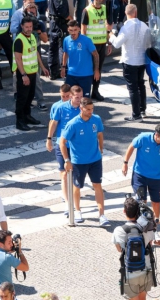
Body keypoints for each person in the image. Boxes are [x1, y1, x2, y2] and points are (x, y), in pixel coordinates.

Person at [60, 97, 109, 226]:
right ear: (81, 108)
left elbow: (99, 133)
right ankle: (78, 211)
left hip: (95, 160)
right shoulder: (73, 124)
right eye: (88, 109)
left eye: (92, 109)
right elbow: (62, 142)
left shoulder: (96, 119)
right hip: (78, 162)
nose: (90, 111)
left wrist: (101, 148)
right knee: (77, 187)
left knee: (97, 185)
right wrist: (66, 160)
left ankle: (102, 215)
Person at [122, 124, 160, 222]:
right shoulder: (143, 138)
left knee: (156, 202)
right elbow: (132, 146)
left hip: (156, 178)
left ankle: (155, 225)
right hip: (140, 176)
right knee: (141, 201)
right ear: (156, 135)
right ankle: (141, 223)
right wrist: (125, 163)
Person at [108, 4, 151, 122]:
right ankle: (142, 110)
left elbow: (117, 43)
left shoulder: (126, 28)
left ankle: (136, 115)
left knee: (132, 88)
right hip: (141, 60)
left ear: (126, 14)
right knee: (141, 85)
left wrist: (111, 34)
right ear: (136, 13)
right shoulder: (144, 26)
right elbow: (148, 44)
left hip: (129, 60)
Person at [46, 85, 82, 215]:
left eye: (80, 97)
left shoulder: (82, 108)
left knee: (76, 174)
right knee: (65, 174)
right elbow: (54, 123)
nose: (79, 99)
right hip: (62, 145)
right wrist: (49, 139)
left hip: (76, 146)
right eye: (77, 97)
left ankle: (74, 197)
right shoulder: (60, 108)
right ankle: (68, 203)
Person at [112, 197, 155, 300]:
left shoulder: (118, 230)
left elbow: (119, 249)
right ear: (138, 211)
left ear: (124, 211)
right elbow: (150, 244)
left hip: (130, 272)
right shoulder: (147, 228)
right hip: (145, 269)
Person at [12, 17, 49, 131]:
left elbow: (36, 52)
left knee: (30, 97)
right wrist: (23, 75)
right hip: (24, 74)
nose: (28, 29)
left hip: (33, 72)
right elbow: (18, 59)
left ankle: (27, 116)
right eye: (26, 27)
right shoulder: (19, 40)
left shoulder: (32, 36)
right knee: (22, 98)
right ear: (22, 26)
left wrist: (42, 67)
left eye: (30, 27)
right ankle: (20, 121)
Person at [81, 0, 110, 101]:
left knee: (99, 68)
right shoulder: (87, 11)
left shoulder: (104, 8)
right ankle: (86, 91)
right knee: (90, 69)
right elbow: (83, 30)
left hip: (102, 43)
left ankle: (95, 91)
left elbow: (107, 27)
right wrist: (84, 46)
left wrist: (109, 43)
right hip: (91, 46)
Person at [0, 230, 29, 299]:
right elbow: (26, 267)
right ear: (1, 244)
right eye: (9, 242)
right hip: (5, 294)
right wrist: (19, 251)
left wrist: (7, 251)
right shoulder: (7, 257)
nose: (11, 244)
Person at [61, 19, 99, 98]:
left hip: (85, 75)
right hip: (71, 74)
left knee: (84, 100)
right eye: (71, 30)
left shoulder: (86, 40)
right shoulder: (66, 40)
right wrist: (63, 67)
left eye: (75, 30)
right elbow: (66, 53)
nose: (73, 33)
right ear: (68, 30)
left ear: (79, 29)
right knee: (68, 98)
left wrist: (96, 70)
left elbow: (96, 55)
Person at [47, 0, 70, 79]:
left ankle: (53, 71)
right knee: (62, 47)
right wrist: (71, 19)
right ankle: (62, 70)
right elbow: (63, 13)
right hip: (59, 24)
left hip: (53, 23)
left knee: (53, 48)